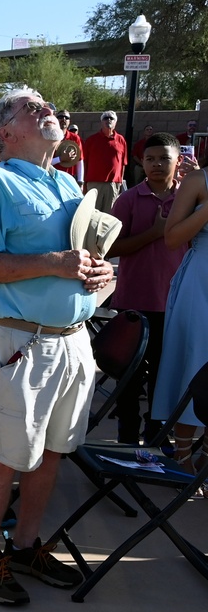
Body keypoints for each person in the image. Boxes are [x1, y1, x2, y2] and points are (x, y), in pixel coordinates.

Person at [0, 87, 113, 605]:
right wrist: (53, 263)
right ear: (7, 132)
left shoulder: (68, 184)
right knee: (6, 455)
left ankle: (25, 545)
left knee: (53, 452)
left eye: (44, 103)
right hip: (22, 342)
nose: (45, 108)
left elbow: (81, 260)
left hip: (74, 342)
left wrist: (100, 273)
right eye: (30, 107)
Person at [107, 133, 191, 444]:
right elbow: (111, 248)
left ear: (178, 161)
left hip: (174, 303)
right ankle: (127, 439)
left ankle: (157, 435)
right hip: (134, 301)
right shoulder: (128, 200)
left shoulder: (189, 198)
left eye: (164, 159)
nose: (156, 165)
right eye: (150, 159)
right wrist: (156, 232)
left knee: (164, 375)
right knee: (128, 378)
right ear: (141, 162)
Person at [151, 159, 208, 475]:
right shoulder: (198, 181)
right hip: (201, 282)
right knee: (195, 362)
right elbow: (172, 238)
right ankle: (183, 456)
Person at [83, 110, 128, 213]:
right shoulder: (91, 140)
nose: (108, 120)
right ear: (101, 122)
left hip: (113, 184)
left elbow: (123, 163)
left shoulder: (121, 140)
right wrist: (84, 183)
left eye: (111, 118)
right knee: (92, 213)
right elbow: (85, 162)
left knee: (109, 214)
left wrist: (120, 183)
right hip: (94, 183)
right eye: (105, 118)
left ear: (115, 122)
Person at [54, 110, 84, 185]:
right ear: (55, 119)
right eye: (60, 117)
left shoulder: (75, 138)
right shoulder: (50, 136)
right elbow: (45, 161)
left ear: (69, 121)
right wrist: (60, 159)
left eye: (66, 117)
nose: (63, 119)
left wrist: (80, 181)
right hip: (52, 176)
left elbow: (79, 160)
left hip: (69, 178)